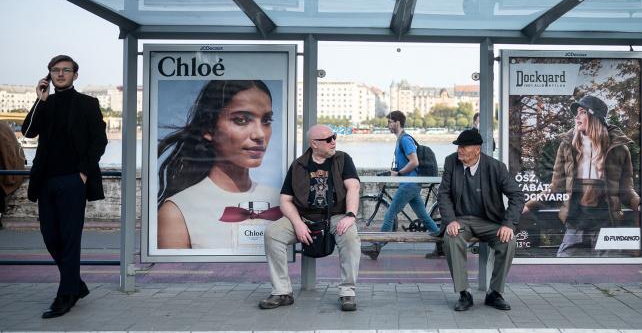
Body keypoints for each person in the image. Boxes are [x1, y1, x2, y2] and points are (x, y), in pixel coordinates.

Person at [21, 55, 107, 319]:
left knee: (70, 239)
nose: (60, 74)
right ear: (49, 75)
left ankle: (65, 295)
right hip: (45, 180)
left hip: (73, 180)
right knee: (50, 237)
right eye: (55, 71)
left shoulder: (87, 104)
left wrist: (83, 172)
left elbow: (99, 141)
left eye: (65, 70)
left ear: (75, 75)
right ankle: (76, 284)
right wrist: (40, 99)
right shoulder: (46, 103)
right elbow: (28, 132)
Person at [156, 80, 279, 250]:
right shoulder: (176, 213)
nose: (259, 134)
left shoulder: (280, 199)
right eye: (241, 120)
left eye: (266, 120)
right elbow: (174, 276)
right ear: (208, 128)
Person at [259, 124, 361, 312]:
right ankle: (282, 292)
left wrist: (350, 215)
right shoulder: (299, 165)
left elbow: (353, 187)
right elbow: (285, 200)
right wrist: (297, 223)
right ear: (314, 143)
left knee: (350, 235)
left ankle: (348, 292)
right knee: (273, 234)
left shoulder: (343, 159)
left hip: (336, 216)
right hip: (304, 217)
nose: (333, 142)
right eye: (328, 139)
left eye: (334, 137)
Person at [524, 95, 641, 257]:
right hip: (576, 222)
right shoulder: (567, 146)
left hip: (606, 223)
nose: (576, 117)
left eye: (582, 112)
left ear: (594, 117)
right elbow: (556, 187)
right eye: (576, 113)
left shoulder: (619, 149)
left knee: (608, 271)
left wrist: (638, 204)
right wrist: (530, 205)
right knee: (563, 265)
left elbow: (626, 189)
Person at [438, 129, 525, 312]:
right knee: (451, 238)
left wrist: (508, 224)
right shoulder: (450, 162)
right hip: (461, 220)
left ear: (477, 149)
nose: (459, 150)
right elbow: (443, 195)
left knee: (508, 241)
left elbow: (517, 196)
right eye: (458, 147)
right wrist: (450, 220)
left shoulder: (496, 167)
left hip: (489, 221)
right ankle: (464, 293)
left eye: (463, 147)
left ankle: (495, 293)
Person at [363, 110, 439, 260]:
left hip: (409, 184)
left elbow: (414, 162)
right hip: (410, 183)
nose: (388, 125)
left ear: (397, 122)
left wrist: (400, 174)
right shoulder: (401, 140)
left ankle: (377, 246)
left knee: (390, 214)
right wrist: (396, 171)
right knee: (424, 218)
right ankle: (444, 245)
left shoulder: (405, 140)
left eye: (389, 122)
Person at [0, 121, 27, 229]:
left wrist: (9, 178)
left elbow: (9, 156)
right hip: (14, 169)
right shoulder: (3, 126)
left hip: (11, 172)